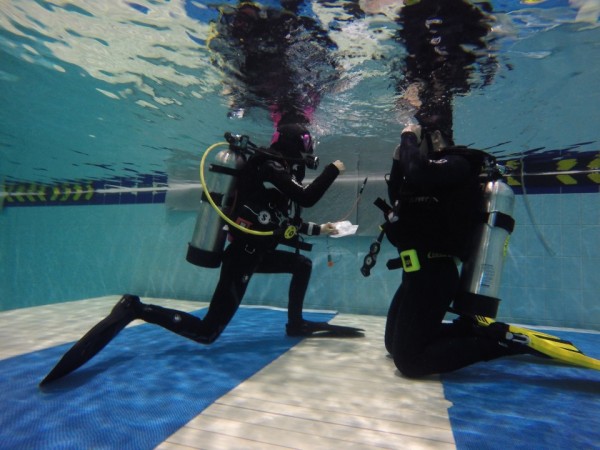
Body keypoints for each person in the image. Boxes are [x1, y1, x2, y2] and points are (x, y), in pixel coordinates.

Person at [40, 123, 363, 386]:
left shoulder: (272, 175)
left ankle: (295, 323)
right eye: (306, 147)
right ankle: (136, 308)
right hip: (243, 256)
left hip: (255, 252)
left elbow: (281, 221)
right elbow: (306, 198)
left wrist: (323, 229)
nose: (307, 156)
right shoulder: (269, 167)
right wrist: (333, 169)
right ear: (295, 146)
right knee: (208, 332)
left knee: (301, 264)